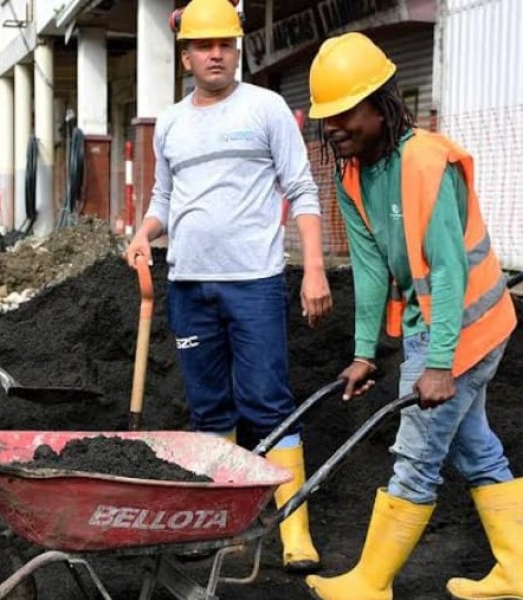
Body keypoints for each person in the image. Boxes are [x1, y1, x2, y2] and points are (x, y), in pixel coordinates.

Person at [305, 32, 521, 599]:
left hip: (465, 325)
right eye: (325, 116)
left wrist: (441, 364)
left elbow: (448, 271)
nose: (333, 126)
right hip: (443, 325)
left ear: (381, 104)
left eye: (345, 112)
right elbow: (372, 268)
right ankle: (518, 570)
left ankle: (371, 584)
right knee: (474, 444)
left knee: (416, 454)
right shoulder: (352, 176)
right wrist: (362, 353)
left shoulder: (426, 161)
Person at [123, 0, 332, 573]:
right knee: (211, 409)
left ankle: (294, 532)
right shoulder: (170, 122)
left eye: (225, 44)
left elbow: (303, 190)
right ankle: (229, 527)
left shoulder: (266, 108)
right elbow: (164, 199)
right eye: (204, 45)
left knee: (267, 402)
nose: (216, 54)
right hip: (188, 285)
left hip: (254, 282)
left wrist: (312, 267)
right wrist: (144, 232)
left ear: (238, 48)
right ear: (185, 53)